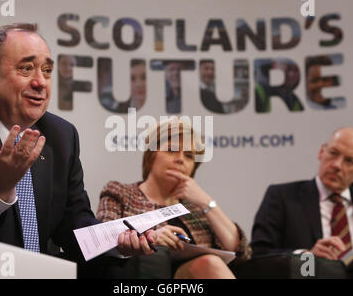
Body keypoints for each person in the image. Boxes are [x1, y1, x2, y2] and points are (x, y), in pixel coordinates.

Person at [0, 23, 156, 278]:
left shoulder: (62, 135)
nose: (40, 82)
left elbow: (75, 221)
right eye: (26, 68)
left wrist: (117, 239)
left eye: (47, 71)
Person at [96, 118, 251, 279]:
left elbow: (240, 252)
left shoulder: (197, 209)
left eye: (189, 156)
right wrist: (152, 238)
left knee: (209, 263)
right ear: (151, 155)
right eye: (171, 150)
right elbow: (102, 241)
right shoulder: (121, 193)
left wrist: (206, 202)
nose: (180, 159)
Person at [251, 127, 353, 261]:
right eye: (333, 153)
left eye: (349, 161)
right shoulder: (282, 197)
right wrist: (306, 256)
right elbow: (259, 253)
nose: (337, 165)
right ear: (321, 152)